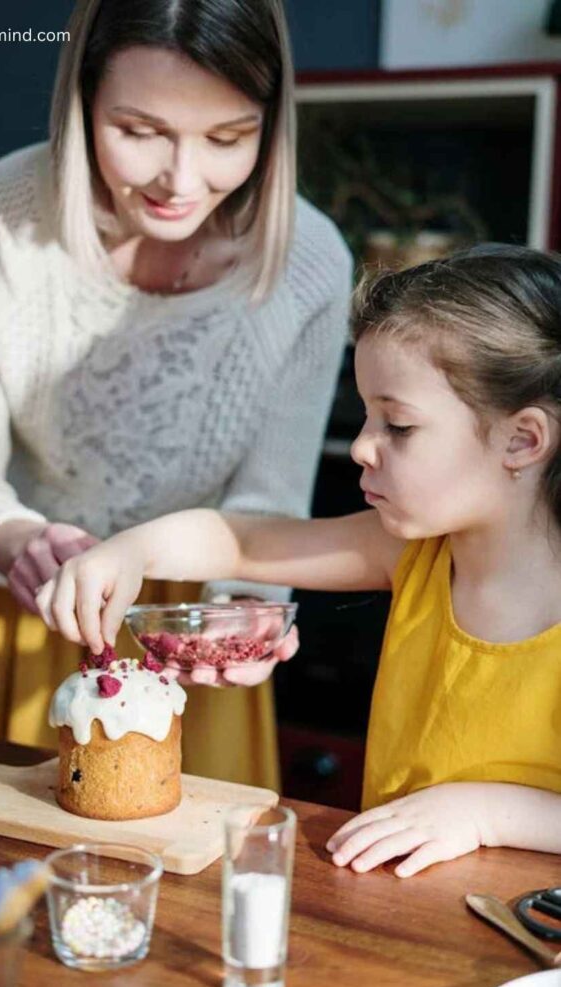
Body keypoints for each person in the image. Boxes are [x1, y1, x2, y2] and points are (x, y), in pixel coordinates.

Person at [0, 0, 351, 789]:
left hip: (182, 625)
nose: (181, 180)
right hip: (9, 601)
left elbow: (269, 499)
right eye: (139, 130)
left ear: (272, 124)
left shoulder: (309, 262)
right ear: (79, 99)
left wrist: (241, 611)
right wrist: (20, 540)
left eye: (227, 138)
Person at [37, 244, 561, 875]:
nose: (363, 447)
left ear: (522, 439)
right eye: (368, 415)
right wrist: (132, 549)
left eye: (398, 426)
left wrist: (485, 814)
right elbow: (243, 543)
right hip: (402, 906)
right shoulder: (411, 552)